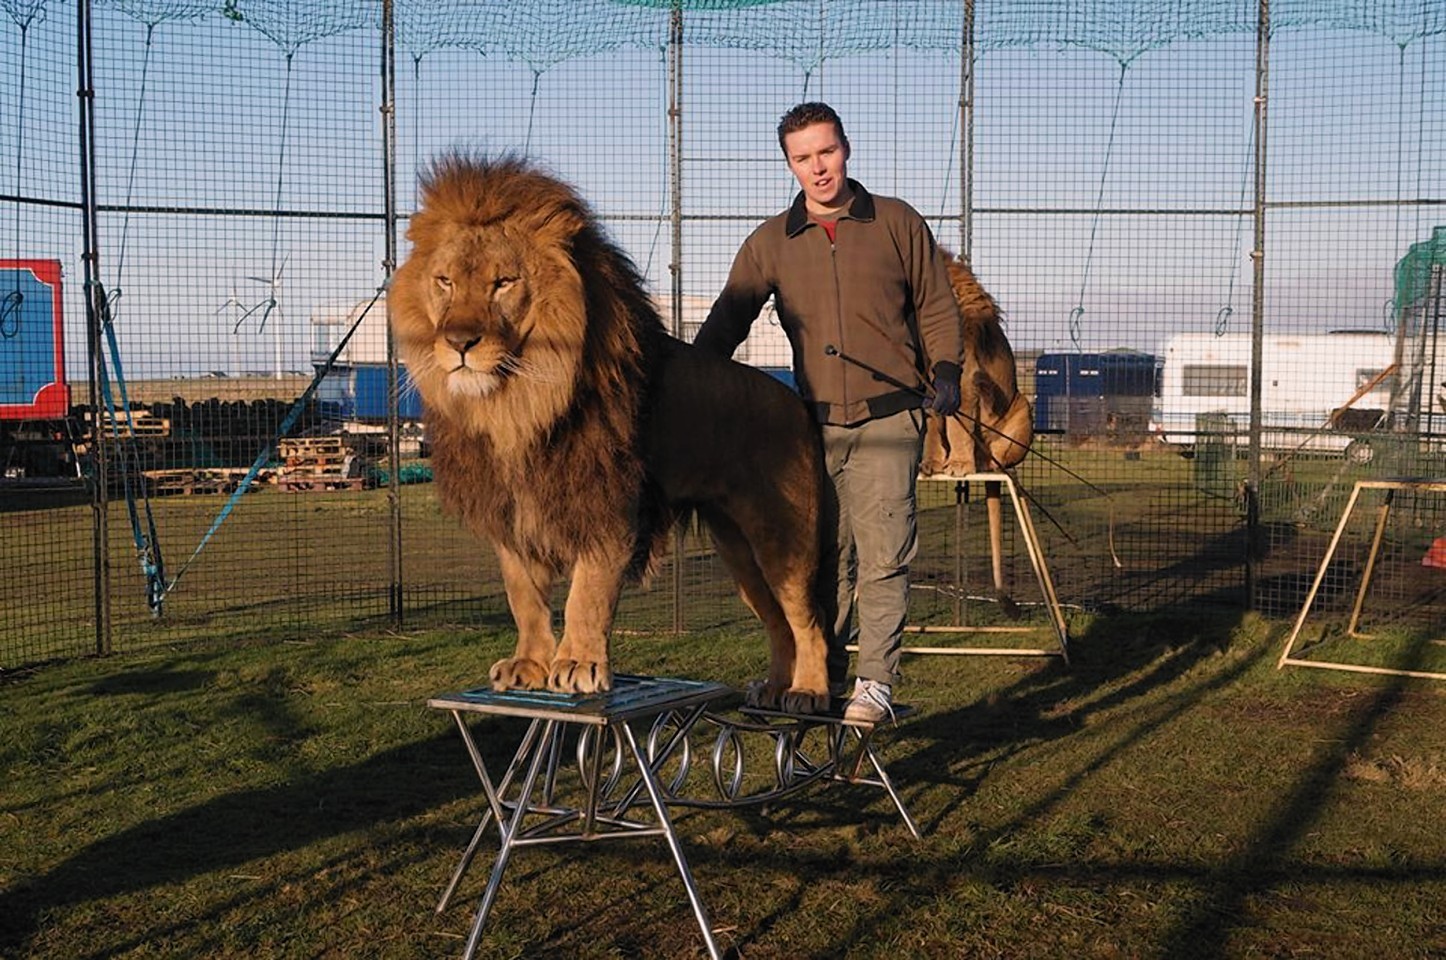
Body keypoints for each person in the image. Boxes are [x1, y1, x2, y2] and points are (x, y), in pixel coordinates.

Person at [693, 102, 966, 722]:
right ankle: (821, 676)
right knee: (820, 560)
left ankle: (875, 683)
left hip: (891, 420)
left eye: (827, 151)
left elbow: (938, 308)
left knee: (883, 554)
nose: (818, 168)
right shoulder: (770, 242)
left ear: (846, 147)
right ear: (788, 164)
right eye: (803, 158)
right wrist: (689, 386)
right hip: (807, 430)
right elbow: (723, 328)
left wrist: (946, 369)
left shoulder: (897, 222)